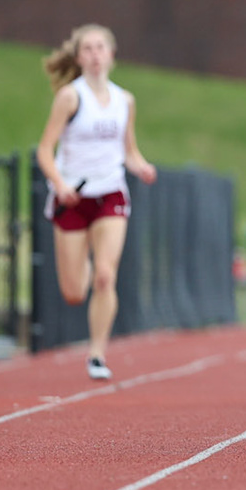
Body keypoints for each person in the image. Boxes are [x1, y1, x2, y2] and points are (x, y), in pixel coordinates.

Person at [35, 24, 157, 380]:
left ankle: (97, 354)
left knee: (106, 276)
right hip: (73, 196)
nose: (94, 54)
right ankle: (85, 266)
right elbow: (45, 150)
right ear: (78, 57)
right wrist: (59, 185)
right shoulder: (70, 98)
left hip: (110, 193)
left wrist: (142, 166)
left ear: (111, 55)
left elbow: (128, 151)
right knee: (74, 292)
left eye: (100, 47)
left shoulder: (125, 101)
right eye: (87, 49)